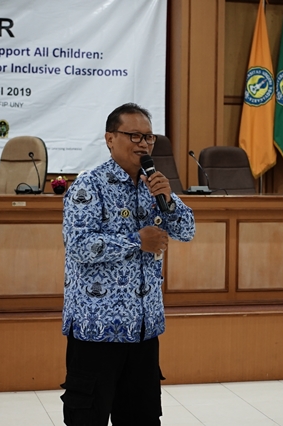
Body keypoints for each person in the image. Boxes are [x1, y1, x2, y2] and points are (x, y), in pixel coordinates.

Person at [60, 103, 196, 425]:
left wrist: (169, 199)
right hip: (97, 330)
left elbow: (187, 231)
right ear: (110, 139)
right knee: (87, 419)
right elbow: (78, 245)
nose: (143, 144)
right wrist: (136, 241)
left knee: (142, 419)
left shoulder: (154, 185)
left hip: (143, 331)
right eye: (134, 135)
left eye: (148, 137)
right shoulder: (89, 185)